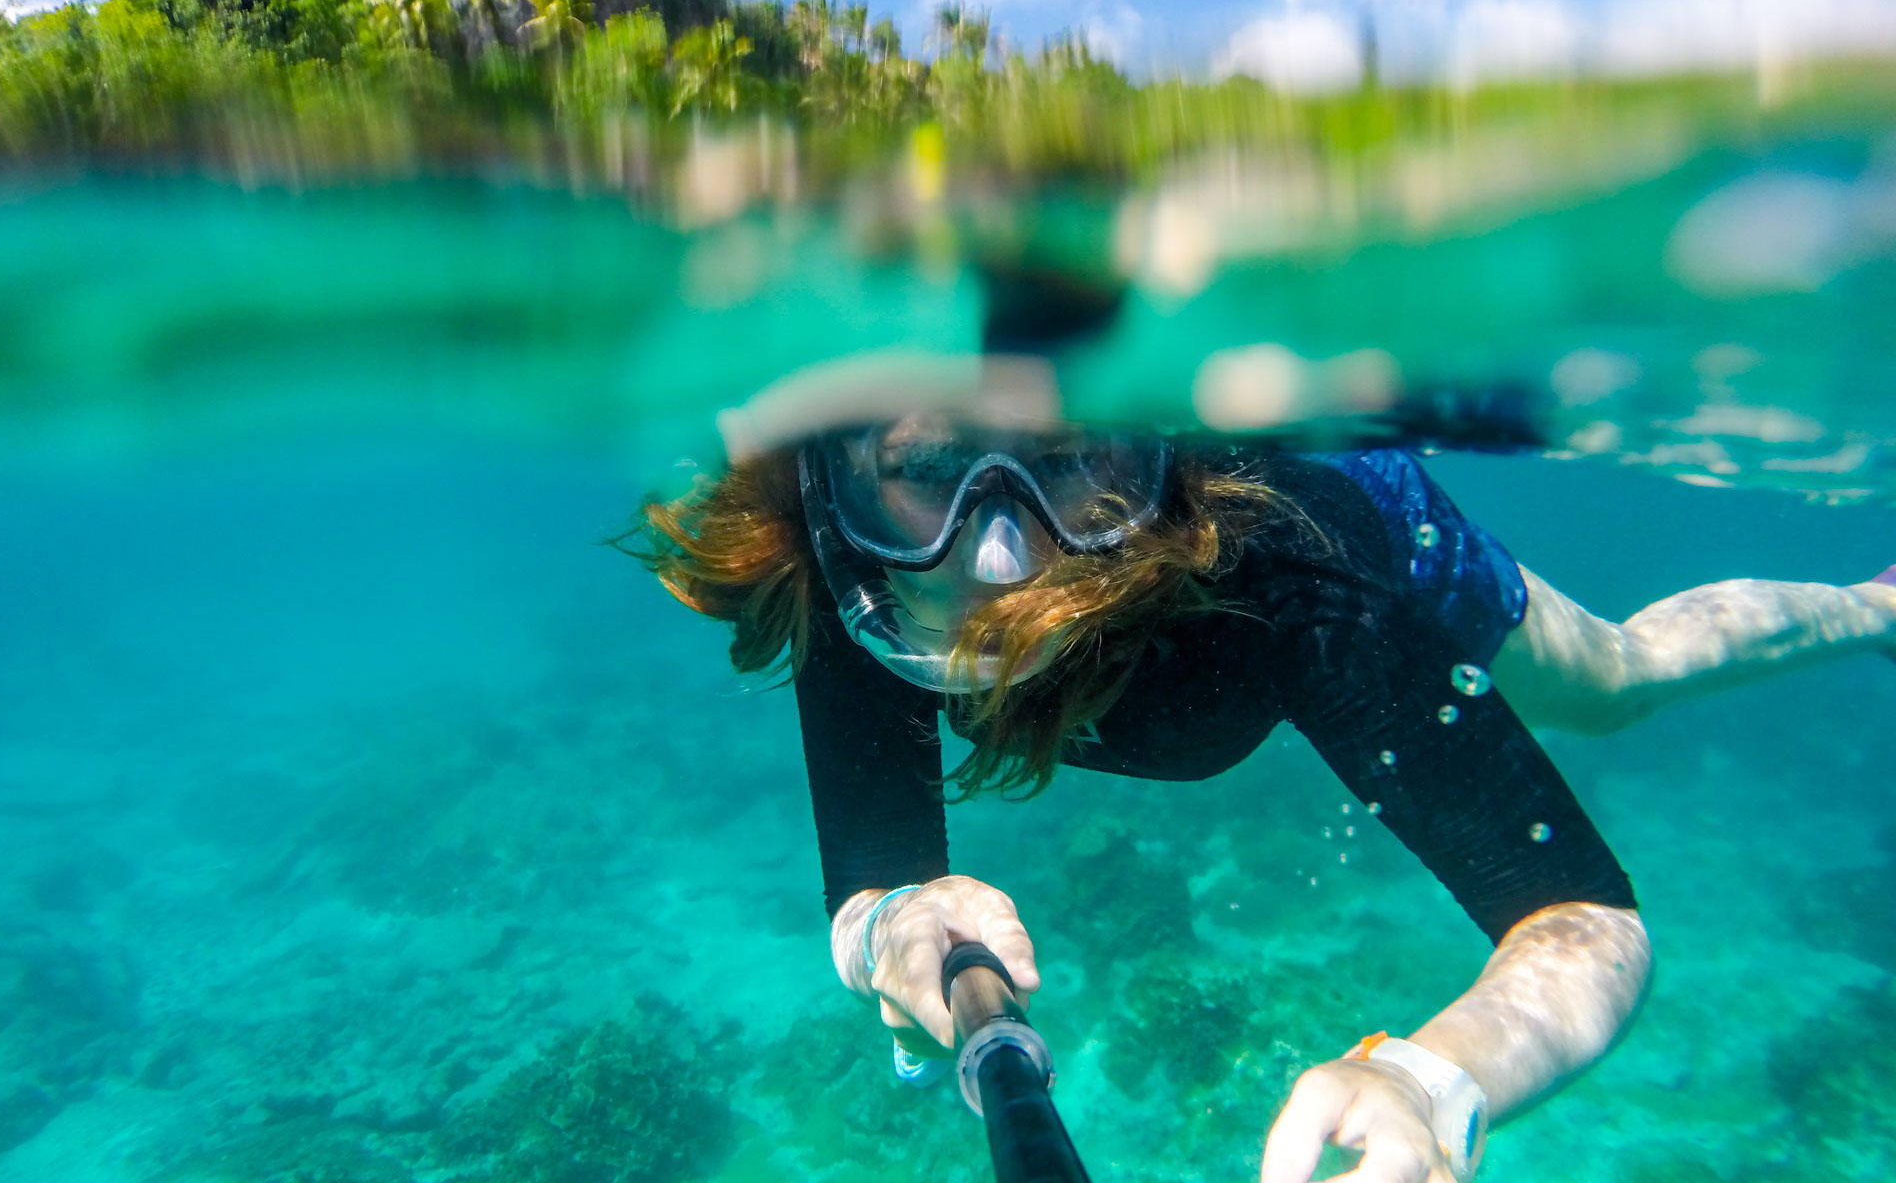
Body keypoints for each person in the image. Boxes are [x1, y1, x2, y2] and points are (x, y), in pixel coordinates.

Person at [633, 412, 1896, 1183]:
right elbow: (868, 879)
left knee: (1615, 676)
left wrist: (1433, 1080)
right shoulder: (835, 571)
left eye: (1072, 457)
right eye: (927, 465)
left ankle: (1880, 604)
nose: (1003, 555)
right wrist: (890, 926)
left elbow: (1588, 914)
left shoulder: (1280, 574)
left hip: (1362, 507)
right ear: (825, 477)